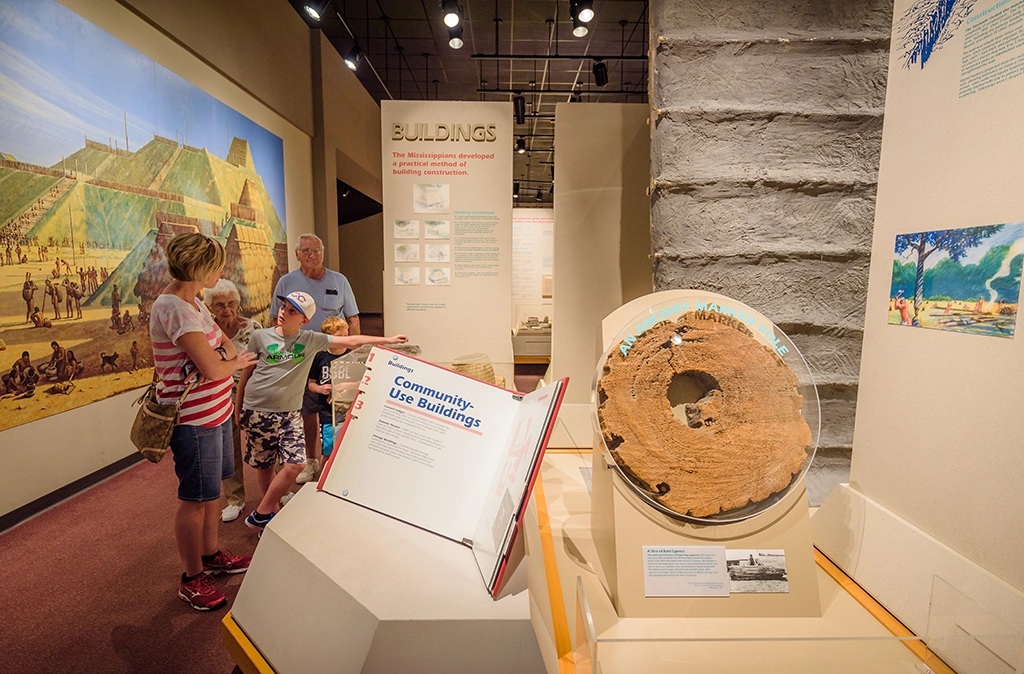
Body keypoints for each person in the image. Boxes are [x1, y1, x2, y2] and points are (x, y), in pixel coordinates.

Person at [148, 232, 257, 611]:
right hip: (194, 420)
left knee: (212, 492)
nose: (221, 271)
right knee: (195, 499)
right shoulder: (175, 308)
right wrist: (232, 363)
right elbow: (216, 366)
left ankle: (210, 555)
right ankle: (191, 577)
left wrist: (227, 359)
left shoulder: (193, 301)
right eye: (216, 265)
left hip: (215, 411)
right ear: (200, 268)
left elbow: (226, 346)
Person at [236, 291, 406, 533]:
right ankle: (270, 513)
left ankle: (261, 511)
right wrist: (238, 407)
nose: (283, 313)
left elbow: (349, 342)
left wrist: (387, 339)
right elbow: (246, 375)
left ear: (304, 321)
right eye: (284, 307)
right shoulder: (260, 336)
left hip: (289, 413)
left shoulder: (310, 339)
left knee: (295, 465)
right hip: (257, 410)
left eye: (292, 311)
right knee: (264, 465)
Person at [269, 233, 361, 485]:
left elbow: (352, 319)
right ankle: (311, 461)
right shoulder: (286, 282)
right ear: (297, 254)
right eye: (306, 251)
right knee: (308, 410)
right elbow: (273, 322)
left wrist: (355, 353)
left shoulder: (339, 280)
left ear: (323, 252)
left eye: (317, 251)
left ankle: (342, 460)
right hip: (301, 356)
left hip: (335, 356)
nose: (312, 255)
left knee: (339, 407)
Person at [204, 278, 262, 523]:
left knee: (263, 442)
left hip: (253, 394)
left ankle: (279, 490)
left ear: (238, 303)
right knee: (229, 450)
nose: (226, 309)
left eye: (230, 303)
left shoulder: (254, 328)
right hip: (221, 396)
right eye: (219, 305)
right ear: (210, 308)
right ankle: (235, 499)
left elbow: (268, 361)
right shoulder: (207, 331)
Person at [306, 317, 358, 468]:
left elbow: (364, 381)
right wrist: (320, 389)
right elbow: (311, 384)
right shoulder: (319, 356)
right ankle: (323, 478)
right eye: (340, 336)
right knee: (328, 449)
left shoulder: (352, 356)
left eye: (346, 335)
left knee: (349, 447)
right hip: (327, 412)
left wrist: (351, 385)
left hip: (349, 411)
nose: (345, 339)